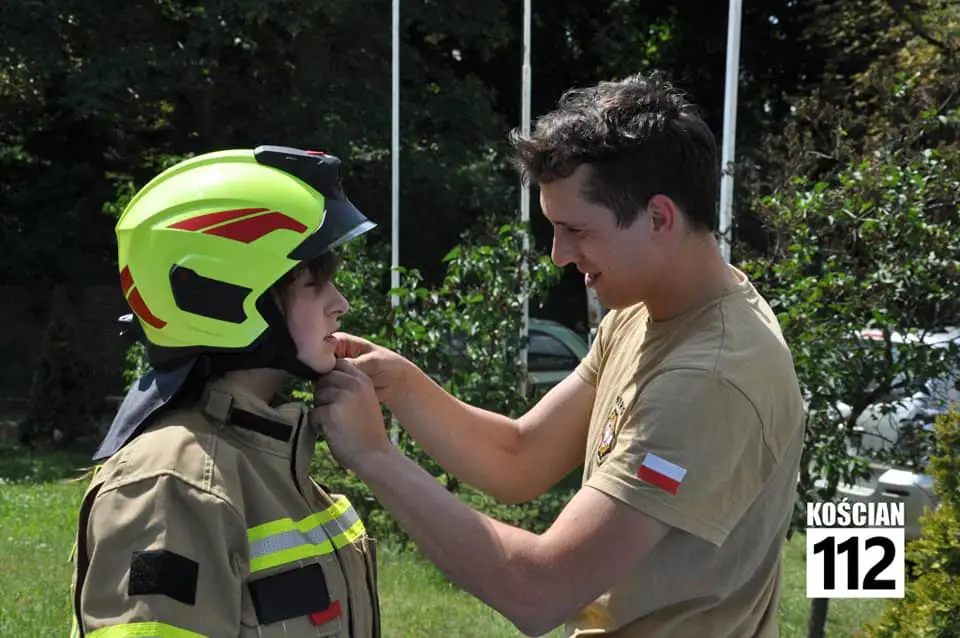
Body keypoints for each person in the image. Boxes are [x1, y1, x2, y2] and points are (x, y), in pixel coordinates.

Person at [312, 72, 806, 637]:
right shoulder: (646, 311)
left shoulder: (710, 379)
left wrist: (374, 456)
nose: (558, 255)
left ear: (659, 218)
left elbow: (537, 591)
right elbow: (521, 458)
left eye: (576, 230)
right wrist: (400, 385)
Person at [69, 146, 382, 637]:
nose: (339, 304)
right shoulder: (173, 484)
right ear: (224, 293)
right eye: (314, 284)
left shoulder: (264, 456)